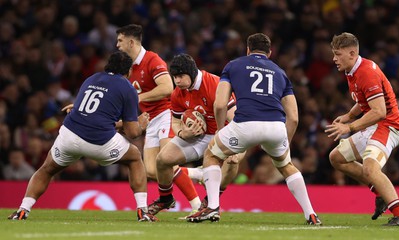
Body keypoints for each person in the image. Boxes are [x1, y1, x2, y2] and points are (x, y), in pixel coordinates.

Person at [183, 33, 321, 224]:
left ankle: (212, 207)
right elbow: (294, 117)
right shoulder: (280, 72)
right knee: (286, 166)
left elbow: (220, 104)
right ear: (269, 53)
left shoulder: (233, 65)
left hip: (246, 124)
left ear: (247, 49)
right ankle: (311, 214)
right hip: (276, 127)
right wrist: (285, 143)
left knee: (212, 155)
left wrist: (219, 131)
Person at [8, 51, 157, 222]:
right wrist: (141, 125)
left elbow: (95, 116)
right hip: (99, 142)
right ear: (129, 70)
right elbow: (132, 133)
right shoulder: (127, 88)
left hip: (70, 134)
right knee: (135, 158)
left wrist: (120, 124)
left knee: (46, 169)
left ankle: (22, 210)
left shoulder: (92, 79)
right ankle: (142, 211)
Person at [115, 24, 201, 212]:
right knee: (151, 170)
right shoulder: (127, 67)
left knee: (166, 160)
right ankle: (197, 173)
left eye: (120, 41)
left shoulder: (152, 60)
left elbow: (166, 88)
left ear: (131, 42)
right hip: (150, 119)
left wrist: (137, 98)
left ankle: (197, 206)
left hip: (166, 114)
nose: (117, 45)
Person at [150, 54, 243, 218]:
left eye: (180, 76)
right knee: (162, 159)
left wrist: (236, 147)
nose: (177, 81)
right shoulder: (178, 93)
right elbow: (176, 122)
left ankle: (210, 202)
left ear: (191, 73)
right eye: (174, 77)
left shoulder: (215, 84)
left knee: (233, 163)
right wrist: (182, 133)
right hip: (196, 137)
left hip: (223, 134)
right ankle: (165, 198)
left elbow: (235, 119)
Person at [325, 32, 399, 226]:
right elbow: (363, 99)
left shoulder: (367, 72)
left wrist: (349, 126)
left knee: (370, 168)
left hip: (388, 126)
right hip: (373, 124)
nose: (334, 58)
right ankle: (380, 192)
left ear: (351, 53)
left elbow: (379, 111)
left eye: (337, 54)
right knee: (337, 158)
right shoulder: (354, 70)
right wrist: (350, 115)